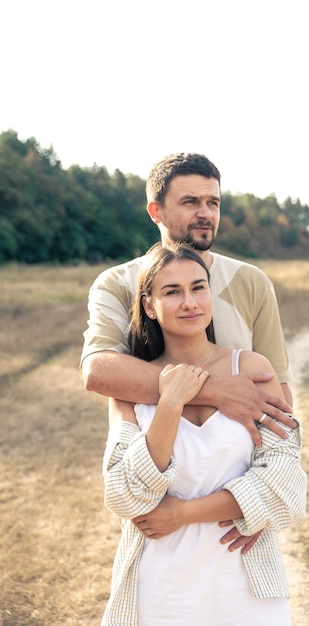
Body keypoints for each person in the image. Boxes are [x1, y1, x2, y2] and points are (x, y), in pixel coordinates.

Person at [101, 243, 307, 626]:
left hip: (245, 584)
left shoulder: (251, 368)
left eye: (198, 288)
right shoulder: (129, 387)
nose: (190, 302)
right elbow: (125, 495)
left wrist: (183, 513)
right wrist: (170, 403)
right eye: (172, 292)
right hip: (159, 588)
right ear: (149, 306)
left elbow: (287, 482)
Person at [81, 152, 296, 446]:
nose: (206, 213)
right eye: (190, 202)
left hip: (238, 459)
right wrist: (217, 391)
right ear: (156, 211)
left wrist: (275, 463)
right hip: (153, 458)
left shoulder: (251, 281)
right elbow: (97, 371)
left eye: (213, 203)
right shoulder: (118, 283)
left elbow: (277, 388)